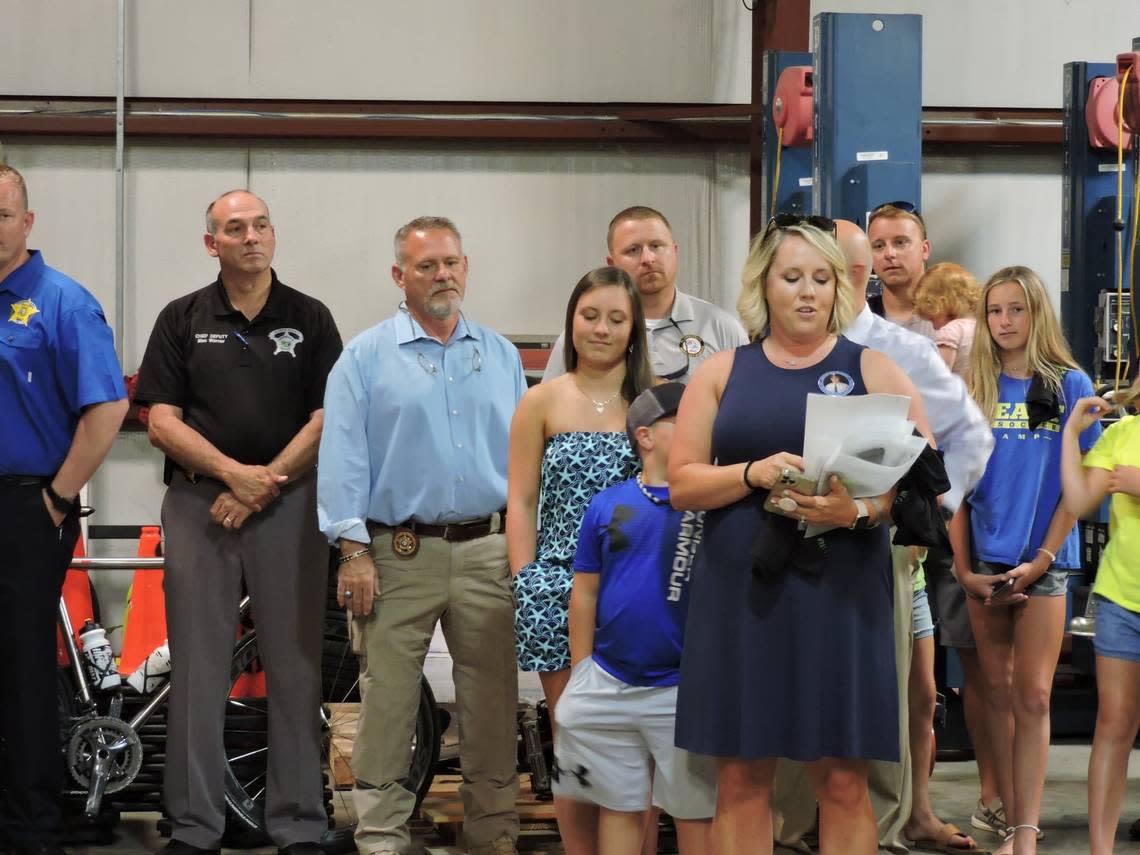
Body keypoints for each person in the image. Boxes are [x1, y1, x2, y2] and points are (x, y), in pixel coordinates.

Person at [670, 216, 934, 855]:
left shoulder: (874, 368)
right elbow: (681, 484)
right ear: (764, 284)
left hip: (842, 594)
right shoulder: (720, 372)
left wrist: (861, 513)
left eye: (822, 278)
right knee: (741, 775)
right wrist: (751, 473)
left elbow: (924, 476)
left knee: (844, 779)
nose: (807, 292)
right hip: (741, 593)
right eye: (792, 277)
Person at [135, 190, 342, 855]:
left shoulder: (309, 318)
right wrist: (233, 474)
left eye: (259, 226)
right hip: (201, 508)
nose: (249, 237)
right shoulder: (181, 317)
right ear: (211, 244)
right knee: (197, 667)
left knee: (295, 664)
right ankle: (196, 827)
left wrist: (261, 484)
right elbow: (159, 421)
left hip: (288, 505)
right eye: (234, 228)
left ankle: (299, 823)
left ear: (273, 237)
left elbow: (326, 418)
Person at [317, 216, 524, 855]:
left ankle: (494, 833)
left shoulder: (502, 355)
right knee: (389, 702)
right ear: (399, 275)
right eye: (427, 265)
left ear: (467, 267)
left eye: (452, 263)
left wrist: (524, 548)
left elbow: (523, 464)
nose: (443, 275)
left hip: (489, 549)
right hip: (397, 552)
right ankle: (380, 834)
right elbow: (343, 457)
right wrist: (352, 550)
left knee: (491, 703)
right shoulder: (365, 356)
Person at [0, 164, 128, 855]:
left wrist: (55, 497)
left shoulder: (62, 302)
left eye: (2, 213)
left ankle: (31, 827)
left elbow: (108, 405)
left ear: (27, 221)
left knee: (23, 671)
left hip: (24, 507)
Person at [955, 266, 1102, 855]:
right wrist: (965, 569)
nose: (1005, 322)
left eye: (1016, 309)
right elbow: (955, 490)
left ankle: (1026, 833)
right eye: (995, 311)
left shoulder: (1069, 383)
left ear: (1036, 313)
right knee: (995, 689)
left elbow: (1081, 482)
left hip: (1047, 563)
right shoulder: (975, 385)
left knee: (1035, 695)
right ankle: (1011, 815)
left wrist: (1043, 557)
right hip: (985, 563)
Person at [508, 266, 652, 853]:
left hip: (636, 591)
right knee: (577, 739)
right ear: (572, 319)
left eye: (617, 318)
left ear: (634, 328)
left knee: (636, 743)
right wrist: (527, 578)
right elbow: (519, 498)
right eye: (590, 315)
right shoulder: (542, 400)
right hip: (558, 590)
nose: (601, 328)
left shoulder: (655, 401)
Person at [553, 382, 716, 855]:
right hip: (610, 681)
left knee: (695, 811)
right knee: (619, 809)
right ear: (645, 436)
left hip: (683, 688)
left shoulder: (711, 504)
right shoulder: (607, 505)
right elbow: (584, 593)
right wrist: (583, 670)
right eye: (683, 420)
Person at [1059, 379, 1140, 855]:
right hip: (1120, 600)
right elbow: (1078, 502)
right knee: (1114, 724)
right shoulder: (1122, 434)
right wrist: (1071, 436)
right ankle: (1099, 850)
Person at [542, 206, 747, 383]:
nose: (648, 258)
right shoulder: (588, 335)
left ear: (674, 251)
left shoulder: (721, 327)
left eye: (656, 246)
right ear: (612, 264)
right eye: (633, 250)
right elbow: (550, 405)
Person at [867, 202, 937, 341]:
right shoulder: (858, 322)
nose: (889, 253)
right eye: (879, 246)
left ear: (925, 250)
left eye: (900, 242)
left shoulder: (958, 316)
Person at [912, 262, 981, 376]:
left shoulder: (950, 331)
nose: (934, 327)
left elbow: (938, 378)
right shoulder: (981, 327)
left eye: (932, 318)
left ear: (942, 304)